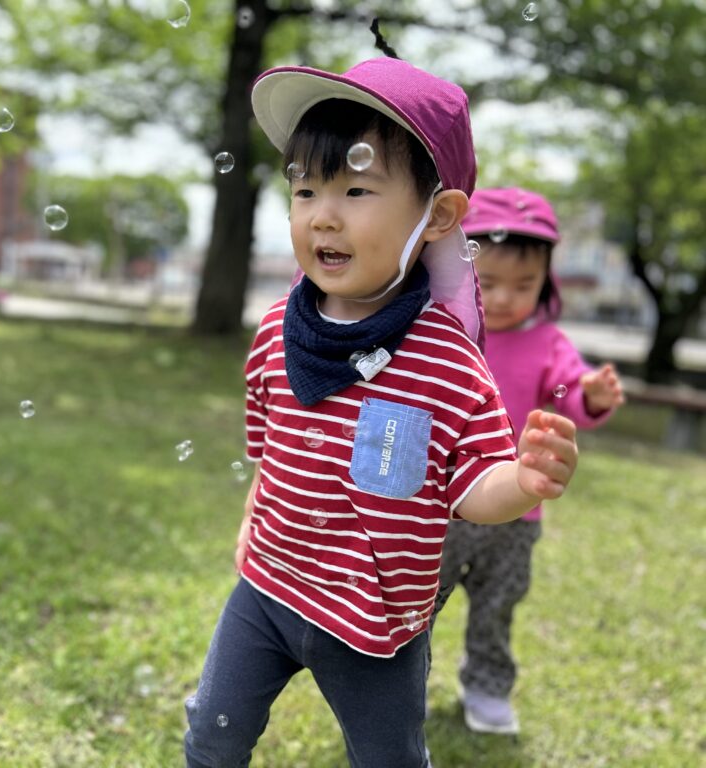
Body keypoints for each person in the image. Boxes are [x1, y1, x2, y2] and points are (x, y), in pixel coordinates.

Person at [183, 57, 580, 768]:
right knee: (212, 737)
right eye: (305, 189)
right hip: (267, 587)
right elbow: (270, 447)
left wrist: (524, 481)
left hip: (375, 623)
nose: (323, 213)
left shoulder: (447, 361)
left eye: (357, 189)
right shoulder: (277, 329)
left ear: (439, 216)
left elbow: (471, 485)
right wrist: (250, 520)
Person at [431, 187, 625, 735]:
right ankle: (398, 687)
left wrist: (589, 393)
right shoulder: (442, 331)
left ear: (546, 282)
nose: (503, 298)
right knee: (415, 604)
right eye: (488, 281)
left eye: (524, 285)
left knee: (497, 604)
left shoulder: (547, 342)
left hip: (516, 513)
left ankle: (488, 687)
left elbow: (567, 390)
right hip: (444, 504)